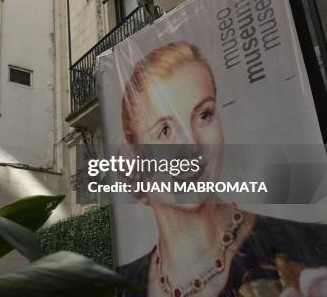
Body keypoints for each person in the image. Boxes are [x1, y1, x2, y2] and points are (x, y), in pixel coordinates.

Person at [116, 41, 327, 297]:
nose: (192, 145)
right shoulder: (121, 286)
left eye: (204, 115)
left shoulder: (309, 250)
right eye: (165, 130)